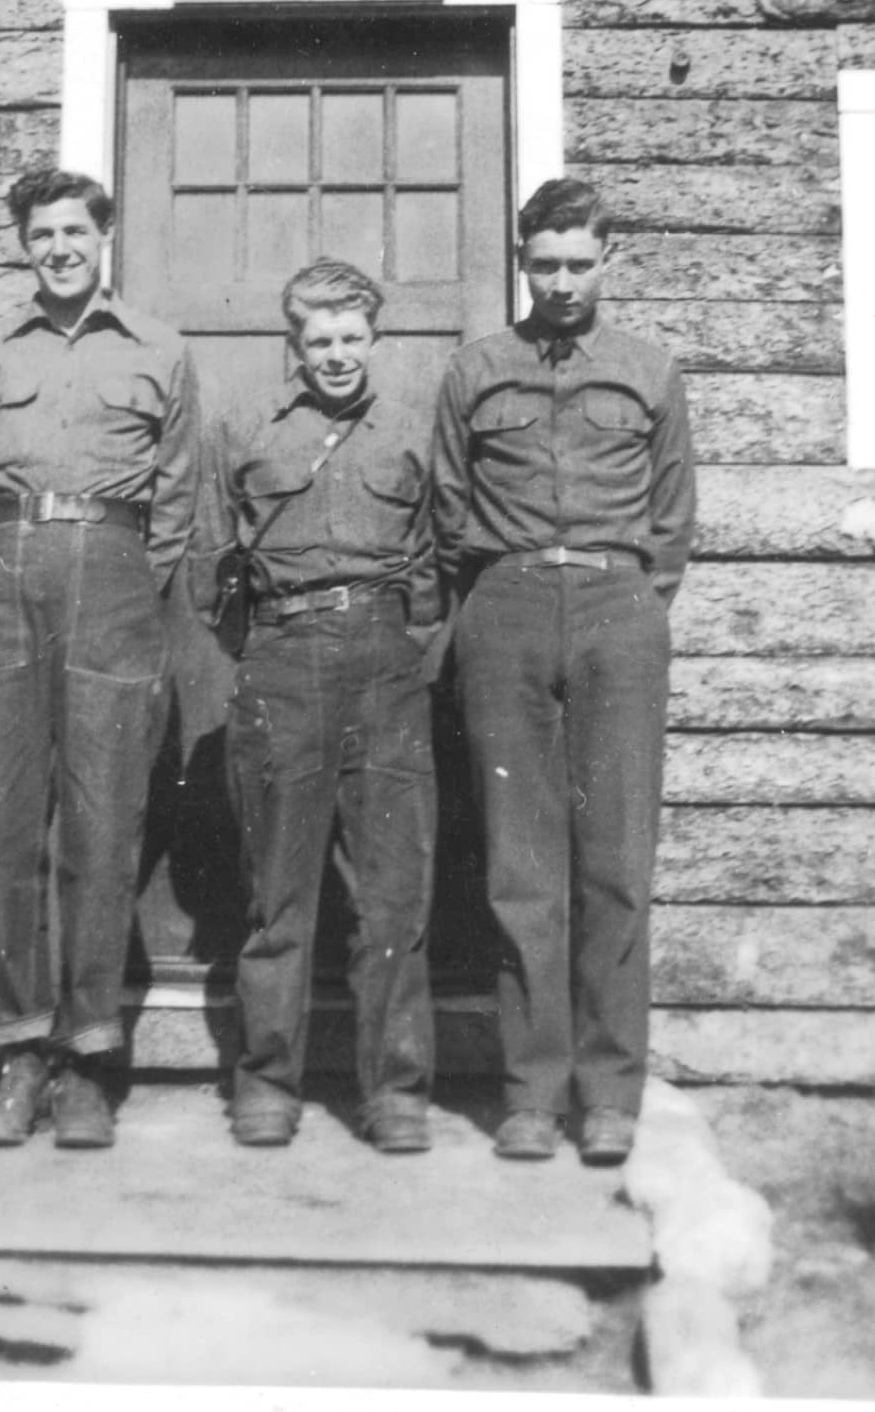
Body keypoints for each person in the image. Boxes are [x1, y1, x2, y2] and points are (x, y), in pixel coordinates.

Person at [432, 178, 695, 1166]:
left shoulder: (645, 370)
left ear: (606, 259)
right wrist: (496, 597)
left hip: (616, 609)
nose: (560, 282)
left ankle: (609, 1091)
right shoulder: (477, 370)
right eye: (543, 264)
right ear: (521, 261)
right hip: (501, 609)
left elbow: (672, 517)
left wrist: (625, 600)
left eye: (578, 263)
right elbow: (446, 507)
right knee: (521, 865)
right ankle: (530, 1092)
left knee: (615, 861)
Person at [0, 167, 199, 1149]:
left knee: (100, 826)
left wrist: (123, 573)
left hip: (115, 570)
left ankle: (88, 1058)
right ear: (23, 244)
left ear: (103, 238)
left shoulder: (159, 350)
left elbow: (174, 499)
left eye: (74, 231)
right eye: (41, 233)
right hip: (5, 568)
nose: (57, 247)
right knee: (9, 827)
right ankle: (16, 1053)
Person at [192, 259, 440, 1153]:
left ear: (374, 338)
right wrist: (264, 649)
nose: (336, 355)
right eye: (319, 340)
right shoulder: (243, 430)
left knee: (391, 895)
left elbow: (435, 562)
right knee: (277, 894)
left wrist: (402, 646)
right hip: (282, 659)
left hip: (383, 666)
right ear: (294, 345)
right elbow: (207, 564)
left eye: (351, 337)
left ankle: (396, 1091)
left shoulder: (412, 429)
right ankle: (266, 1081)